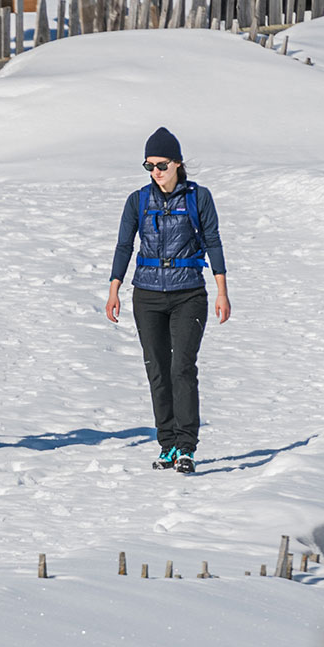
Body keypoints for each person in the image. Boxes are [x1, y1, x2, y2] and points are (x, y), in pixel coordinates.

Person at [104, 127, 229, 475]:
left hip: (188, 293)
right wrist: (114, 290)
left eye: (161, 164)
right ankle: (168, 444)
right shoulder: (138, 200)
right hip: (146, 296)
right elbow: (124, 246)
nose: (155, 172)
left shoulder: (198, 197)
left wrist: (222, 290)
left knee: (182, 368)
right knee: (157, 371)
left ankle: (187, 445)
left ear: (177, 163)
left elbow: (214, 241)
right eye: (149, 166)